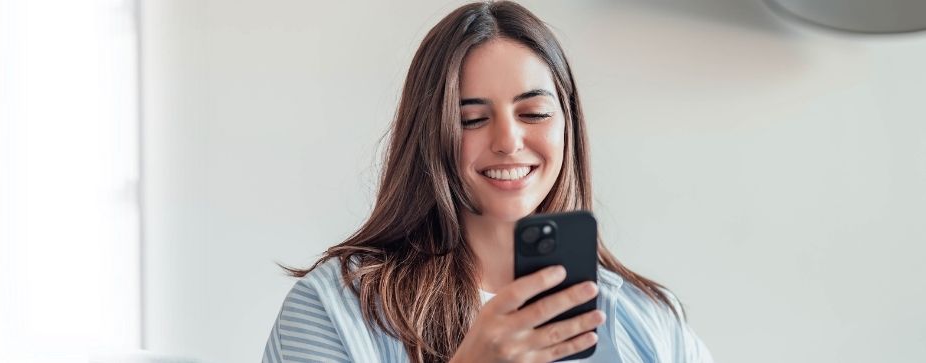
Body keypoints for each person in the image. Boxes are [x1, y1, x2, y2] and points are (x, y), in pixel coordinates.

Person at [262, 1, 713, 362]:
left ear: (567, 125)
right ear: (430, 134)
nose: (508, 141)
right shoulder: (331, 310)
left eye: (533, 113)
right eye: (471, 119)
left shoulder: (648, 318)